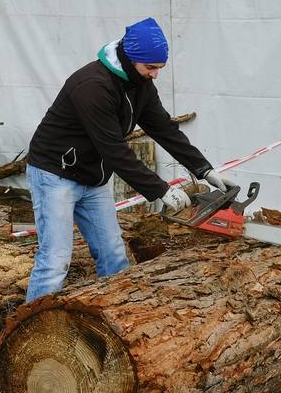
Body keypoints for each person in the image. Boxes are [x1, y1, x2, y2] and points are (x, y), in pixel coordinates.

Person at [24, 16, 236, 302]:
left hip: (94, 178)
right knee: (55, 260)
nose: (156, 74)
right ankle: (32, 329)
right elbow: (113, 148)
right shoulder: (92, 86)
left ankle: (113, 317)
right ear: (130, 58)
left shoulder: (140, 84)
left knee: (114, 256)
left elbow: (163, 128)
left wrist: (204, 169)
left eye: (160, 68)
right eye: (151, 67)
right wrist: (160, 190)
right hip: (55, 174)